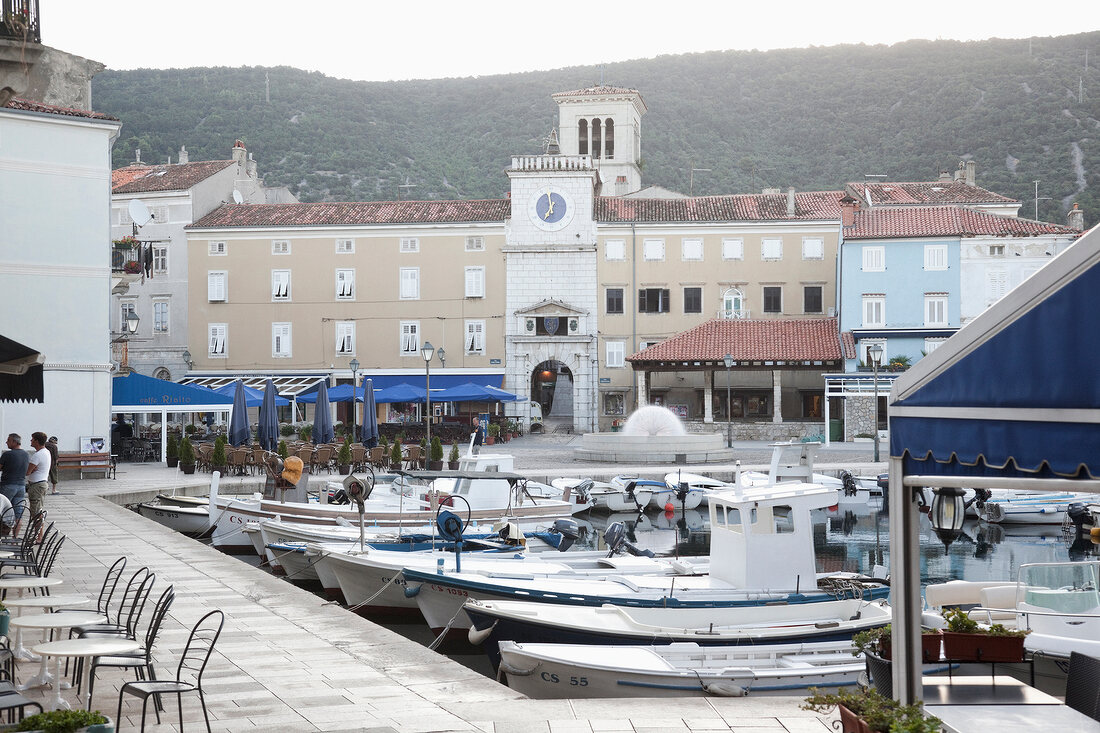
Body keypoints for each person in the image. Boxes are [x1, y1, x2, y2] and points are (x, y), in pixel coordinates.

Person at [0, 433, 28, 534]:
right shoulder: (25, 454)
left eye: (8, 440)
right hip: (21, 486)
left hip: (8, 485)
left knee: (2, 509)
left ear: (14, 442)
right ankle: (15, 539)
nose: (6, 442)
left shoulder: (7, 454)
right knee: (18, 514)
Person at [26, 431, 51, 531]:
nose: (31, 441)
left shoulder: (38, 455)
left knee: (36, 512)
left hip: (37, 485)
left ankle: (38, 536)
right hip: (42, 483)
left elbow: (27, 471)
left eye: (32, 439)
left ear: (36, 441)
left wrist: (31, 468)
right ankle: (38, 535)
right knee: (38, 510)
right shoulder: (46, 452)